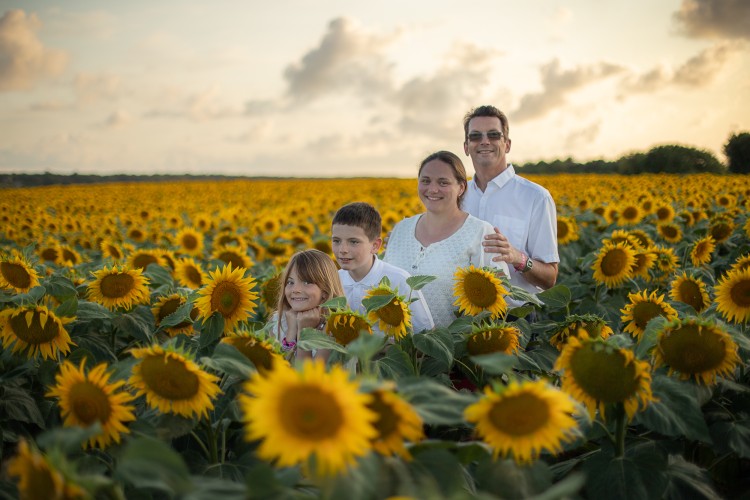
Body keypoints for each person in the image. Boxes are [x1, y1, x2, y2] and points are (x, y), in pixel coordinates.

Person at [383, 151, 510, 328]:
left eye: (443, 182)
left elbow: (498, 296)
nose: (433, 189)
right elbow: (382, 284)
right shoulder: (401, 229)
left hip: (453, 350)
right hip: (396, 349)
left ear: (461, 188)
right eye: (425, 181)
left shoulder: (481, 232)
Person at [462, 105, 559, 307]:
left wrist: (518, 258)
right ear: (466, 147)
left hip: (514, 319)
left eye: (494, 135)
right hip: (461, 315)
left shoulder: (535, 197)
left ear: (507, 144)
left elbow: (549, 278)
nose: (485, 141)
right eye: (476, 136)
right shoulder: (457, 196)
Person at [331, 201, 435, 335]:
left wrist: (385, 346)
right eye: (336, 241)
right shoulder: (333, 281)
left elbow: (426, 335)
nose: (343, 250)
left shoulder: (399, 280)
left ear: (375, 245)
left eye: (354, 242)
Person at [267, 249, 344, 361]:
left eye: (307, 282)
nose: (296, 290)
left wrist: (305, 331)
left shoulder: (332, 328)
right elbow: (277, 368)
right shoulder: (278, 321)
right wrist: (291, 331)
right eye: (290, 282)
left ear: (325, 291)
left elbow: (306, 374)